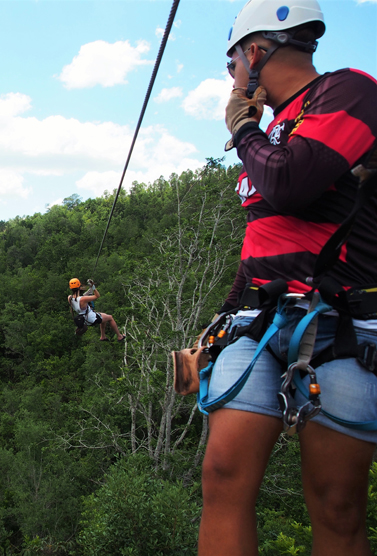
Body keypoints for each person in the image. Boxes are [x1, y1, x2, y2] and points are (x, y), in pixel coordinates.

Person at [198, 0, 377, 554]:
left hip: (337, 321)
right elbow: (266, 236)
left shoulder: (350, 92)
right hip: (260, 318)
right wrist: (222, 314)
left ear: (254, 53)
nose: (231, 81)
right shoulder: (279, 129)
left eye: (232, 67)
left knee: (336, 501)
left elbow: (292, 182)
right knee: (222, 477)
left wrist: (243, 128)